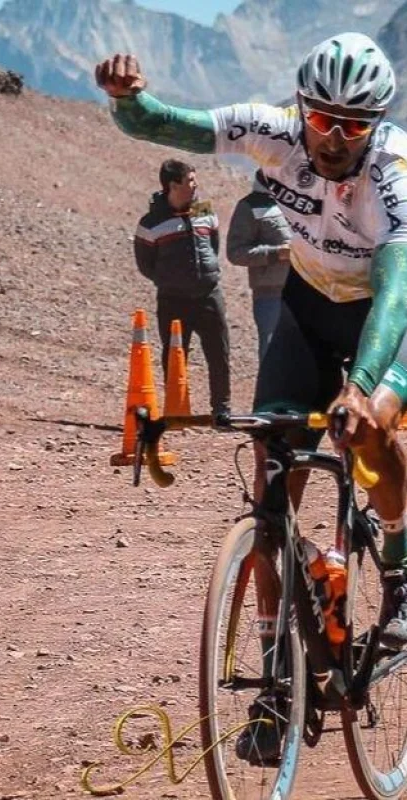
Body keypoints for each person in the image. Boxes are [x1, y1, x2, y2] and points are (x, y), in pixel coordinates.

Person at [95, 32, 407, 761]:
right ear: (301, 108)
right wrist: (128, 102)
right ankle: (275, 686)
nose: (333, 138)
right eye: (322, 118)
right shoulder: (277, 135)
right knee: (272, 488)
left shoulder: (393, 174)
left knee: (370, 432)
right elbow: (168, 125)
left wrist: (361, 390)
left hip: (386, 313)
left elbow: (395, 294)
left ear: (377, 125)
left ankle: (398, 560)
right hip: (307, 305)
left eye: (353, 124)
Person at [134, 159, 231, 416]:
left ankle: (221, 409)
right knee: (175, 355)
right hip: (173, 299)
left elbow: (213, 245)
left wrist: (205, 275)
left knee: (219, 352)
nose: (195, 184)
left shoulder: (204, 210)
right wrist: (169, 280)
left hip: (209, 295)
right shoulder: (151, 223)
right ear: (173, 186)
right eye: (189, 180)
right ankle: (177, 409)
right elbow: (145, 265)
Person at [226, 168, 291, 362]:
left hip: (302, 292)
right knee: (271, 354)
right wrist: (276, 253)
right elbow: (236, 253)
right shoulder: (249, 206)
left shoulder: (294, 202)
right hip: (270, 295)